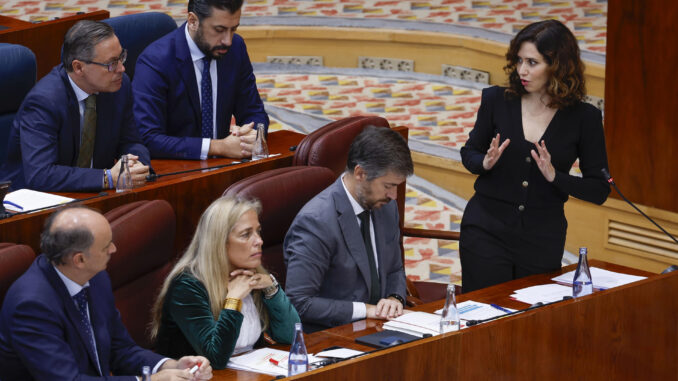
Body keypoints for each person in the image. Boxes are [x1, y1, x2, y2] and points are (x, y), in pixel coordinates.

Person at [459, 19, 611, 293]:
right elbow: (469, 152)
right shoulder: (496, 100)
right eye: (519, 61)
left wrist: (557, 177)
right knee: (483, 321)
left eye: (532, 62)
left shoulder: (584, 118)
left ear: (558, 66)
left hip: (542, 239)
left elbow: (599, 190)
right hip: (485, 231)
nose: (522, 71)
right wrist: (485, 162)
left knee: (530, 324)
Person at [0, 206, 212, 380]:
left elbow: (120, 349)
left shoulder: (96, 278)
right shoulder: (32, 306)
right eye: (106, 246)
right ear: (79, 260)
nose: (114, 249)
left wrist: (169, 365)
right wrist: (146, 380)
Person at [284, 126, 412, 332]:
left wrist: (394, 298)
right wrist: (366, 310)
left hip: (380, 327)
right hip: (332, 335)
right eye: (388, 186)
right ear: (360, 173)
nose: (394, 196)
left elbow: (395, 268)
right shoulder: (316, 222)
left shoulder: (385, 207)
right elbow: (300, 302)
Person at [0, 20, 150, 192]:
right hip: (37, 200)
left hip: (94, 192)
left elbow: (131, 141)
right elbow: (40, 174)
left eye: (121, 57)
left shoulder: (119, 87)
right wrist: (107, 177)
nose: (122, 69)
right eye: (112, 63)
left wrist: (135, 164)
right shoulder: (44, 102)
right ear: (78, 67)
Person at [150, 196, 299, 369]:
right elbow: (215, 358)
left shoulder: (250, 273)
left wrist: (272, 289)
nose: (259, 241)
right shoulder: (187, 286)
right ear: (219, 243)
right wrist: (233, 300)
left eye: (258, 231)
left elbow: (291, 337)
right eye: (246, 234)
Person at [132, 0, 269, 160]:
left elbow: (253, 110)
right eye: (219, 30)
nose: (228, 40)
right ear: (193, 21)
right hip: (177, 170)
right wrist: (217, 147)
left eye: (233, 29)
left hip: (225, 167)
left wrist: (253, 134)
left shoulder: (235, 48)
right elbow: (147, 138)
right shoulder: (155, 61)